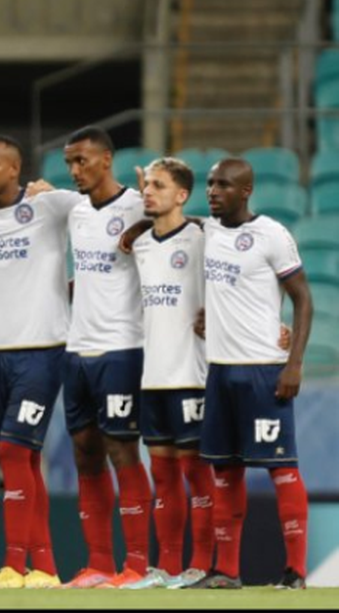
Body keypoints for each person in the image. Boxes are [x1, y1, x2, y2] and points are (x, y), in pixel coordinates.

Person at [188, 158, 313, 590]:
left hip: (263, 371)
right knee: (224, 472)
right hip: (220, 372)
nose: (213, 190)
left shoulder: (272, 235)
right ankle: (226, 571)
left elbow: (303, 300)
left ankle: (295, 571)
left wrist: (294, 363)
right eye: (209, 183)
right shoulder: (207, 231)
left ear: (246, 190)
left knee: (281, 470)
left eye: (223, 184)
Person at [0, 136, 78, 589]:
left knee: (13, 450)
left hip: (43, 350)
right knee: (22, 458)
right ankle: (46, 569)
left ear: (15, 169)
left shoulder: (50, 205)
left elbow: (103, 216)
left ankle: (13, 565)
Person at [58, 127, 152, 589]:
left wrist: (142, 224)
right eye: (69, 163)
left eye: (82, 160)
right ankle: (98, 564)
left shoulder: (138, 203)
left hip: (121, 347)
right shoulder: (74, 210)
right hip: (77, 348)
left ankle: (135, 565)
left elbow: (195, 225)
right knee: (85, 453)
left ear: (107, 159)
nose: (75, 171)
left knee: (122, 450)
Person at [124, 158, 216, 590]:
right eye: (147, 185)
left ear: (182, 196)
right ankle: (167, 568)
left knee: (196, 474)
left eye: (159, 186)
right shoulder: (141, 245)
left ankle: (200, 565)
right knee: (162, 479)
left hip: (191, 376)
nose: (148, 191)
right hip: (153, 377)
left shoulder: (201, 237)